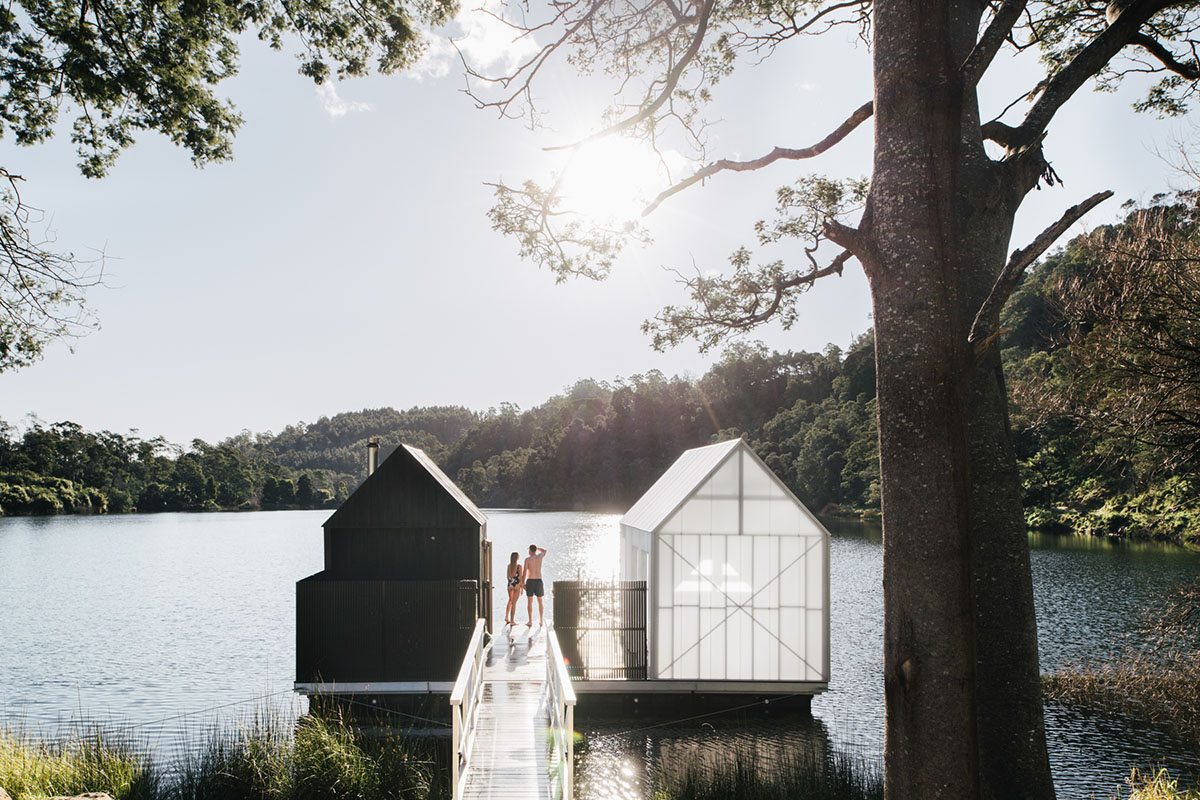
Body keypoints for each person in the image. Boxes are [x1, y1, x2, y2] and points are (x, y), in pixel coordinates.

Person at [523, 544, 547, 626]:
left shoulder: (527, 560)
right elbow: (544, 551)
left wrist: (522, 583)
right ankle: (541, 619)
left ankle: (530, 621)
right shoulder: (539, 557)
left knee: (530, 602)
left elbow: (524, 572)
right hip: (538, 580)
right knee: (540, 601)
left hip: (530, 581)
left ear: (530, 550)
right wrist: (538, 549)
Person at [504, 552, 523, 626]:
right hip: (516, 585)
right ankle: (512, 621)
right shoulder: (519, 566)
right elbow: (520, 578)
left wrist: (511, 583)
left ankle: (506, 617)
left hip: (510, 585)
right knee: (514, 603)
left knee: (510, 600)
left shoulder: (509, 566)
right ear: (517, 558)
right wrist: (521, 587)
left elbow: (507, 576)